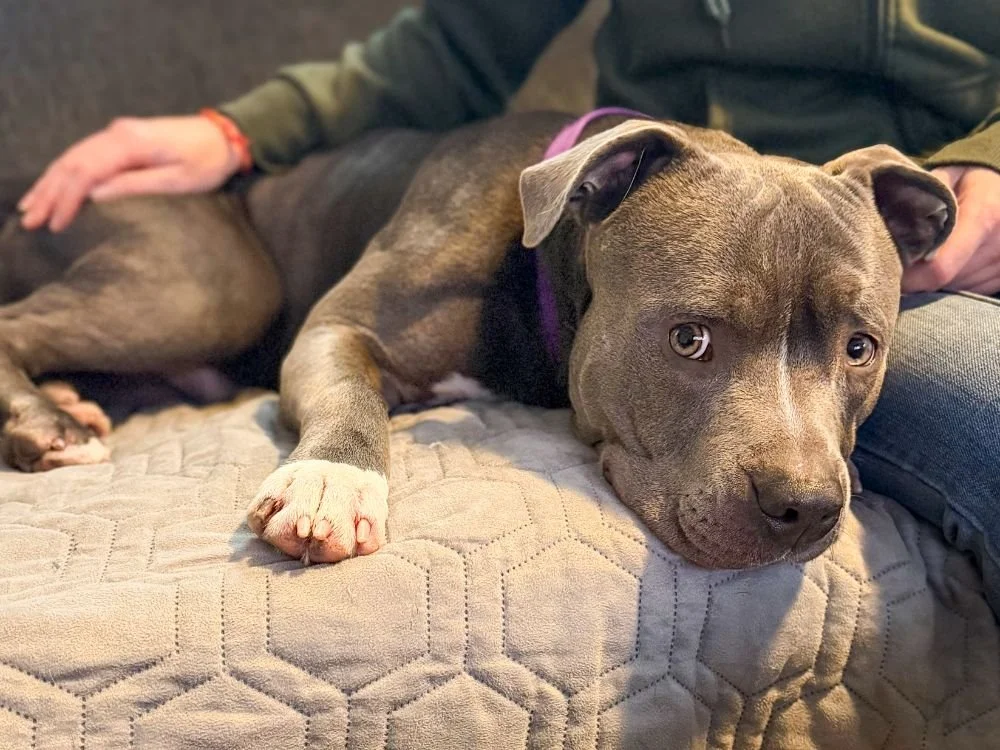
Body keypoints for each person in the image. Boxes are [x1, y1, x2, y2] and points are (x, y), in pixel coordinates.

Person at [16, 0, 1000, 611]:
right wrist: (241, 131)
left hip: (902, 231)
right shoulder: (498, 231)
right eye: (693, 338)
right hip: (238, 232)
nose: (804, 484)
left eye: (853, 353)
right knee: (212, 299)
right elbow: (453, 42)